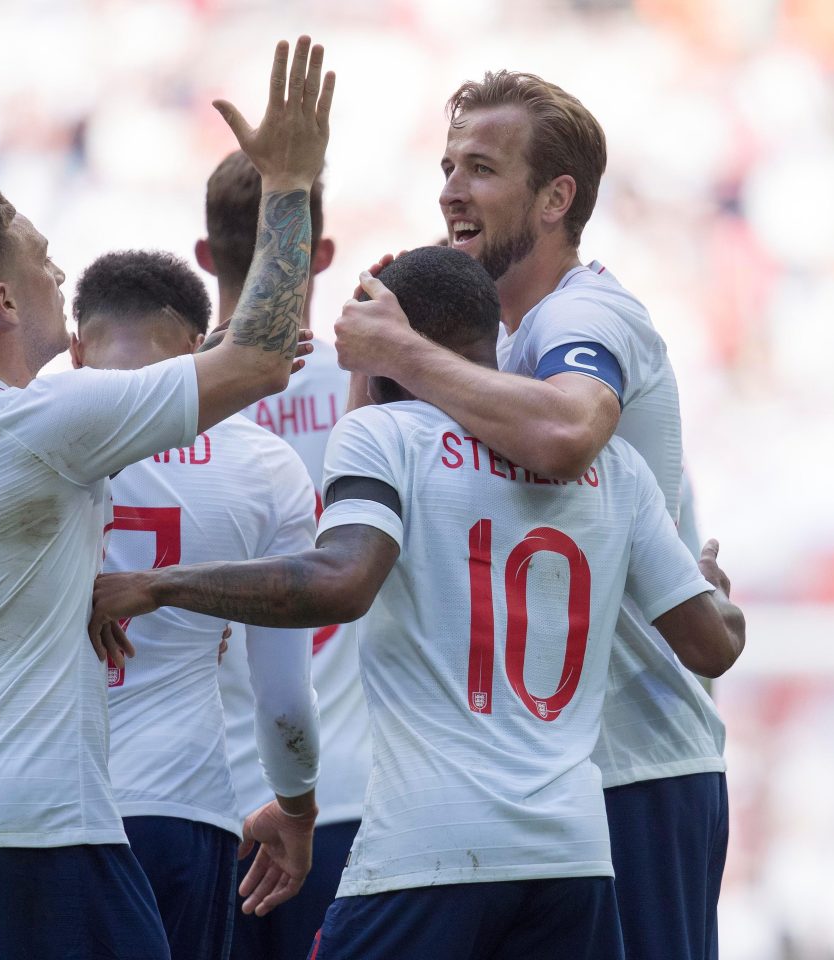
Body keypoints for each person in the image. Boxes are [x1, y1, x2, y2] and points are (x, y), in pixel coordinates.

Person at [89, 246, 745, 960]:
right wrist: (712, 589)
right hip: (572, 857)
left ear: (388, 348)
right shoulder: (614, 465)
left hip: (427, 849)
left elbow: (342, 582)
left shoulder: (385, 438)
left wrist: (163, 583)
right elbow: (712, 646)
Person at [334, 71, 732, 960]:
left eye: (480, 167)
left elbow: (568, 432)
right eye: (446, 165)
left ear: (556, 198)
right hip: (547, 788)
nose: (448, 190)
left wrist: (397, 347)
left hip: (634, 762)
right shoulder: (503, 342)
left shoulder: (578, 316)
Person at [0, 36, 334, 958]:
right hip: (46, 827)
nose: (59, 273)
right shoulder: (47, 421)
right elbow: (259, 356)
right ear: (5, 302)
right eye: (42, 260)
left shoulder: (40, 424)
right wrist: (290, 184)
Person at [70, 248, 321, 960]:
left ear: (74, 343)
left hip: (40, 804)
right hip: (177, 805)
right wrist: (296, 804)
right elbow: (282, 693)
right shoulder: (265, 464)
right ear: (196, 345)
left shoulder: (29, 430)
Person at [196, 152, 368, 959]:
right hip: (350, 796)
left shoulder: (159, 401)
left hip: (204, 803)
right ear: (320, 254)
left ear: (204, 258)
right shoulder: (376, 390)